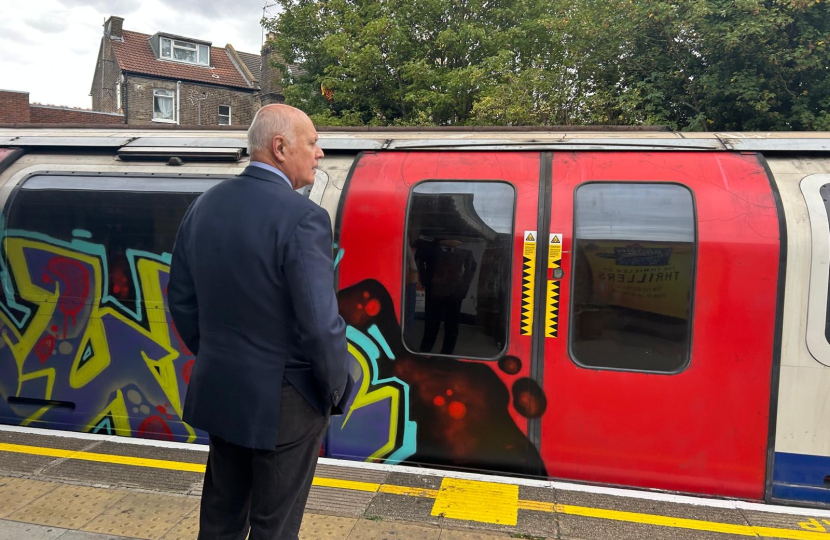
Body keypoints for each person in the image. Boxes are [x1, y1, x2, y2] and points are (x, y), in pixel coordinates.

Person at [168, 104, 353, 540]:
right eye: (312, 143)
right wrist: (335, 389)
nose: (320, 153)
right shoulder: (304, 217)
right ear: (280, 147)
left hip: (222, 390)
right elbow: (319, 324)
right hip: (284, 405)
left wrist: (219, 355)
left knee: (220, 517)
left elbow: (181, 299)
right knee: (274, 525)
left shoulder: (204, 206)